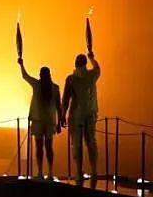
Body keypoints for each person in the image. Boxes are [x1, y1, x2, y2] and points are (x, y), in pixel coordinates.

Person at [18, 57, 62, 179]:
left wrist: (21, 64)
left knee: (39, 147)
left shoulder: (37, 85)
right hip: (50, 121)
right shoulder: (55, 88)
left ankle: (41, 172)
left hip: (38, 120)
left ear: (41, 75)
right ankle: (50, 172)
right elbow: (59, 106)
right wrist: (59, 122)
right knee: (48, 147)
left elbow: (25, 76)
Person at [62, 51, 101, 187]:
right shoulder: (92, 75)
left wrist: (62, 115)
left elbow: (65, 99)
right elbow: (98, 68)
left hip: (76, 116)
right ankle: (94, 171)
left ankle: (79, 172)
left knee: (77, 145)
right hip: (90, 114)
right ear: (85, 63)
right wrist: (92, 58)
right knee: (91, 142)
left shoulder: (71, 79)